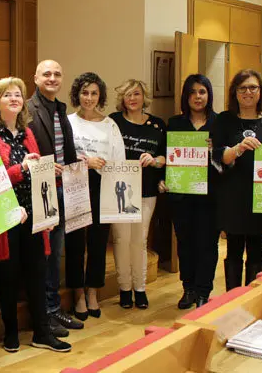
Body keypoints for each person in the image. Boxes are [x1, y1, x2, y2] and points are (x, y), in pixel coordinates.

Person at [0, 77, 71, 353]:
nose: (14, 98)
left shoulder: (27, 133)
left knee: (37, 274)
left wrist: (47, 169)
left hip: (34, 214)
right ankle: (10, 334)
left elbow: (37, 170)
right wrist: (21, 169)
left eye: (18, 95)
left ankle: (42, 333)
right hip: (5, 215)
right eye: (7, 94)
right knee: (7, 277)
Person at [27, 59, 83, 336]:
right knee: (43, 256)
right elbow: (25, 151)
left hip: (64, 189)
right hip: (40, 191)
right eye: (46, 74)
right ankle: (43, 314)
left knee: (55, 254)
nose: (52, 78)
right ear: (35, 77)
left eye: (57, 74)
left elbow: (65, 149)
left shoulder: (60, 109)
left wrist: (76, 161)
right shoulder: (28, 109)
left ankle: (53, 308)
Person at [211, 69, 262, 290]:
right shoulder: (224, 120)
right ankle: (231, 298)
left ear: (260, 91)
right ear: (235, 92)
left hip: (261, 196)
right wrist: (238, 149)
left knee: (256, 249)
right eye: (242, 88)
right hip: (232, 194)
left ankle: (252, 297)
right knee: (233, 249)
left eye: (253, 87)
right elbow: (217, 156)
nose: (248, 92)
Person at [65, 72, 125, 320]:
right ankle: (77, 293)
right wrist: (84, 162)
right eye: (84, 93)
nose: (88, 98)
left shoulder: (109, 124)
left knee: (99, 243)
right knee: (75, 242)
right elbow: (62, 156)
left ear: (100, 96)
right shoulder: (67, 121)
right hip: (75, 184)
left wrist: (102, 165)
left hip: (103, 184)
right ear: (77, 94)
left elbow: (119, 159)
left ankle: (92, 291)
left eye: (93, 93)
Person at [109, 79, 166, 310]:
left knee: (139, 240)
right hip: (118, 191)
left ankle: (140, 288)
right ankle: (124, 288)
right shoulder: (113, 122)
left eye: (136, 94)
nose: (132, 99)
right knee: (121, 240)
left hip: (146, 189)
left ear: (144, 97)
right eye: (127, 95)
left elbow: (165, 157)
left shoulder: (158, 125)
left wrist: (154, 161)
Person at [165, 74, 219, 309]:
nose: (197, 97)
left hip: (211, 195)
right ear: (185, 97)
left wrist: (214, 151)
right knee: (185, 243)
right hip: (181, 194)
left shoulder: (220, 123)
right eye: (192, 92)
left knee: (207, 243)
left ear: (209, 95)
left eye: (202, 92)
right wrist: (162, 179)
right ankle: (188, 288)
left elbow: (226, 162)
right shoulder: (175, 124)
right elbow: (166, 156)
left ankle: (204, 291)